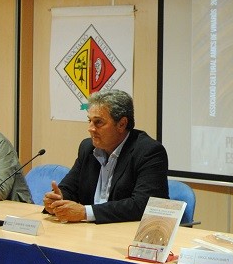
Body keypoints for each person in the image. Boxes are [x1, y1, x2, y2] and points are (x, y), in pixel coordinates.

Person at [43, 89, 169, 223]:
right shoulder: (88, 148)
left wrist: (85, 213)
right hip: (89, 230)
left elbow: (143, 205)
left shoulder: (148, 151)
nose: (90, 128)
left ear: (121, 124)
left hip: (124, 231)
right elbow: (70, 188)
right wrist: (57, 200)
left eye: (98, 122)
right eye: (89, 121)